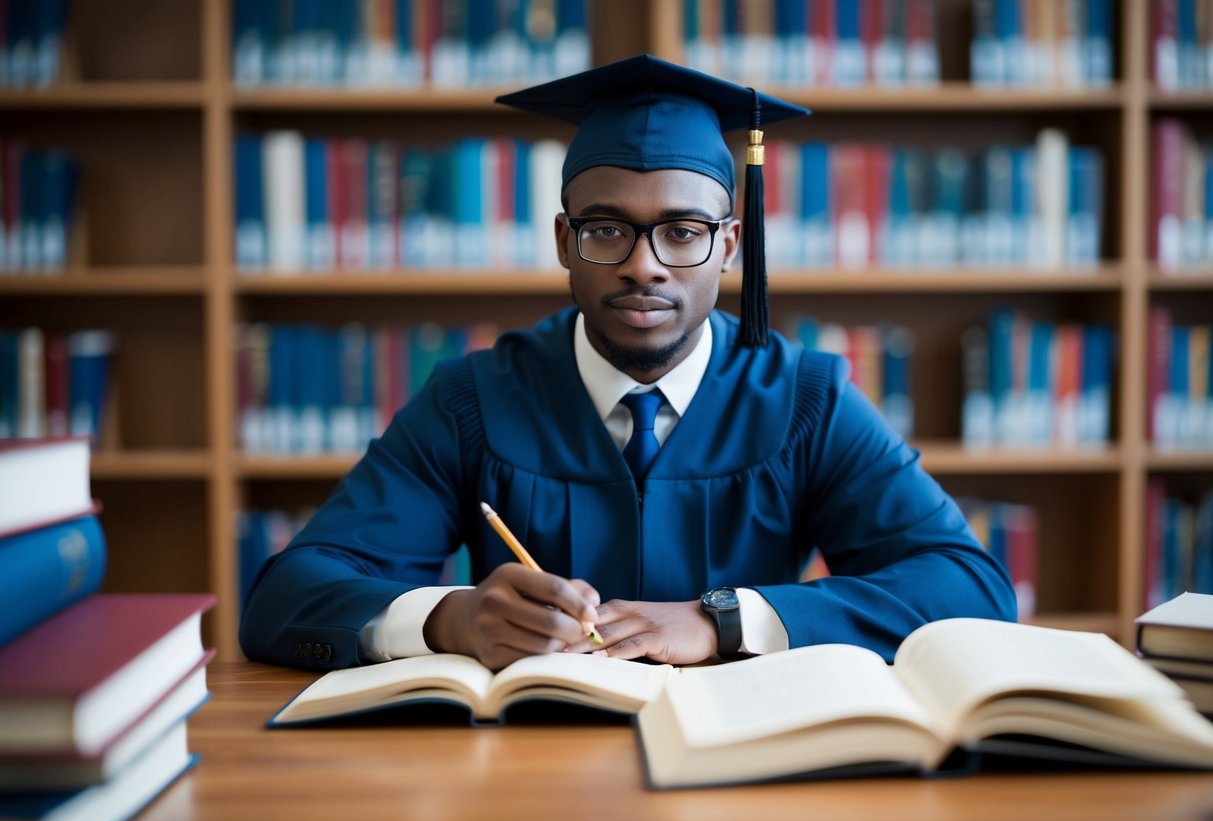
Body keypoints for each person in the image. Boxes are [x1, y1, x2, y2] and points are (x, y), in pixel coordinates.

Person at [240, 55, 1016, 672]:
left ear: (729, 246)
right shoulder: (473, 399)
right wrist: (450, 618)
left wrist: (729, 620)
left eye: (682, 232)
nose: (644, 266)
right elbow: (287, 596)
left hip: (742, 768)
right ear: (561, 243)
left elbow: (969, 588)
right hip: (528, 771)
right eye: (606, 231)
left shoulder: (803, 399)